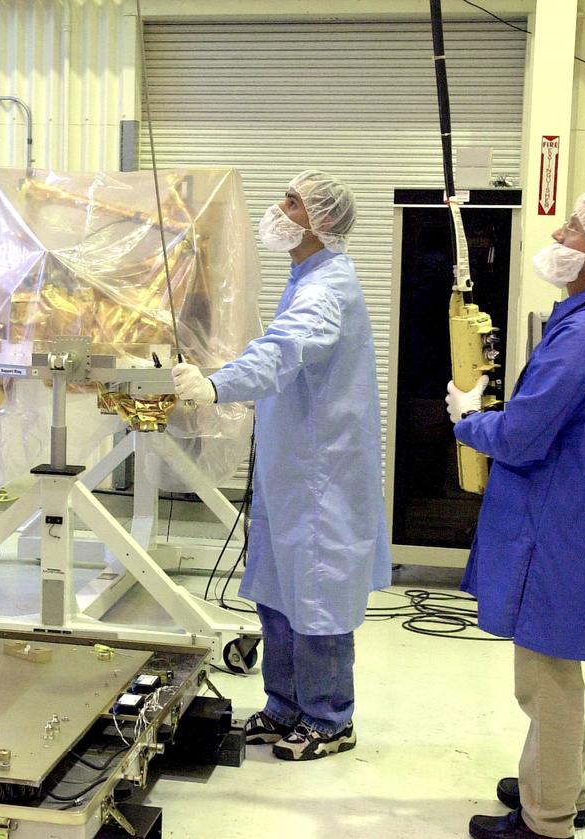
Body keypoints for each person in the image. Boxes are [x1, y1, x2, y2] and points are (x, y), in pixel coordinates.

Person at [445, 192, 585, 839]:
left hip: (558, 526)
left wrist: (470, 418)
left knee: (543, 681)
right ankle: (567, 785)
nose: (559, 234)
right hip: (584, 520)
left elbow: (523, 434)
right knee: (555, 668)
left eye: (575, 230)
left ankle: (546, 820)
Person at [173, 170, 391, 762]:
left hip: (322, 473)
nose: (278, 207)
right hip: (292, 467)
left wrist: (218, 384)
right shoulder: (306, 277)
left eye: (291, 200)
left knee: (316, 589)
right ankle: (285, 704)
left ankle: (329, 718)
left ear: (318, 220)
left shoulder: (329, 287)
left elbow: (285, 350)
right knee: (278, 583)